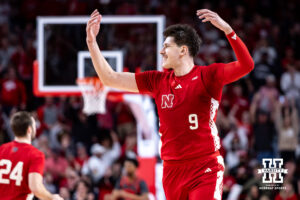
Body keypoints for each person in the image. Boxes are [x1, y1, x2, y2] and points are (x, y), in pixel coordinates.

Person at [86, 8, 254, 199]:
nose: (161, 51)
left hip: (204, 166)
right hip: (171, 170)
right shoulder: (157, 81)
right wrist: (92, 43)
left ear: (183, 50)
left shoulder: (208, 76)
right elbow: (110, 78)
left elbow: (246, 65)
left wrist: (228, 30)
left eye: (166, 46)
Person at [0, 111, 63, 200]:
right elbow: (36, 188)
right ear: (29, 129)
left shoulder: (1, 149)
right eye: (34, 126)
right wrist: (52, 197)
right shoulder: (35, 154)